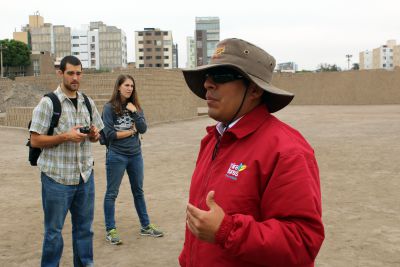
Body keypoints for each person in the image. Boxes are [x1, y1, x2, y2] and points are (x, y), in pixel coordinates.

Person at [179, 38, 324, 266]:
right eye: (207, 76)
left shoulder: (286, 150)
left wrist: (226, 231)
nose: (207, 84)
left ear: (254, 90)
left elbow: (303, 242)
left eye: (221, 75)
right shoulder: (212, 140)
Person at [29, 55, 104, 267]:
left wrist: (94, 135)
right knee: (53, 233)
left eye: (78, 73)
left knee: (84, 231)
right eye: (70, 73)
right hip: (56, 179)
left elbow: (97, 134)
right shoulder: (48, 103)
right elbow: (35, 140)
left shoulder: (87, 102)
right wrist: (65, 136)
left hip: (84, 177)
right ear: (60, 73)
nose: (75, 77)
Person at [102, 74, 163, 245]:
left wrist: (135, 112)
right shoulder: (109, 108)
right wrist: (130, 132)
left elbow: (143, 129)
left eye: (132, 86)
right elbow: (109, 134)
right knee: (112, 194)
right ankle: (110, 229)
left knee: (138, 192)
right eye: (126, 85)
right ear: (119, 87)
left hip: (135, 155)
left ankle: (145, 226)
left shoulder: (135, 107)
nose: (129, 88)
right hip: (116, 155)